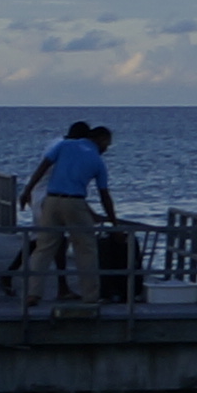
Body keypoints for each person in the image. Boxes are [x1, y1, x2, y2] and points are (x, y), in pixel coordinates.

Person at [25, 119, 119, 308]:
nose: (106, 149)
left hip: (51, 200)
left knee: (43, 248)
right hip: (75, 202)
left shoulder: (64, 145)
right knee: (86, 249)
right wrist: (114, 223)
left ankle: (33, 293)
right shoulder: (97, 161)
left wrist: (27, 190)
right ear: (100, 139)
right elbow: (104, 195)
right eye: (106, 144)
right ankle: (90, 296)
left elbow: (43, 167)